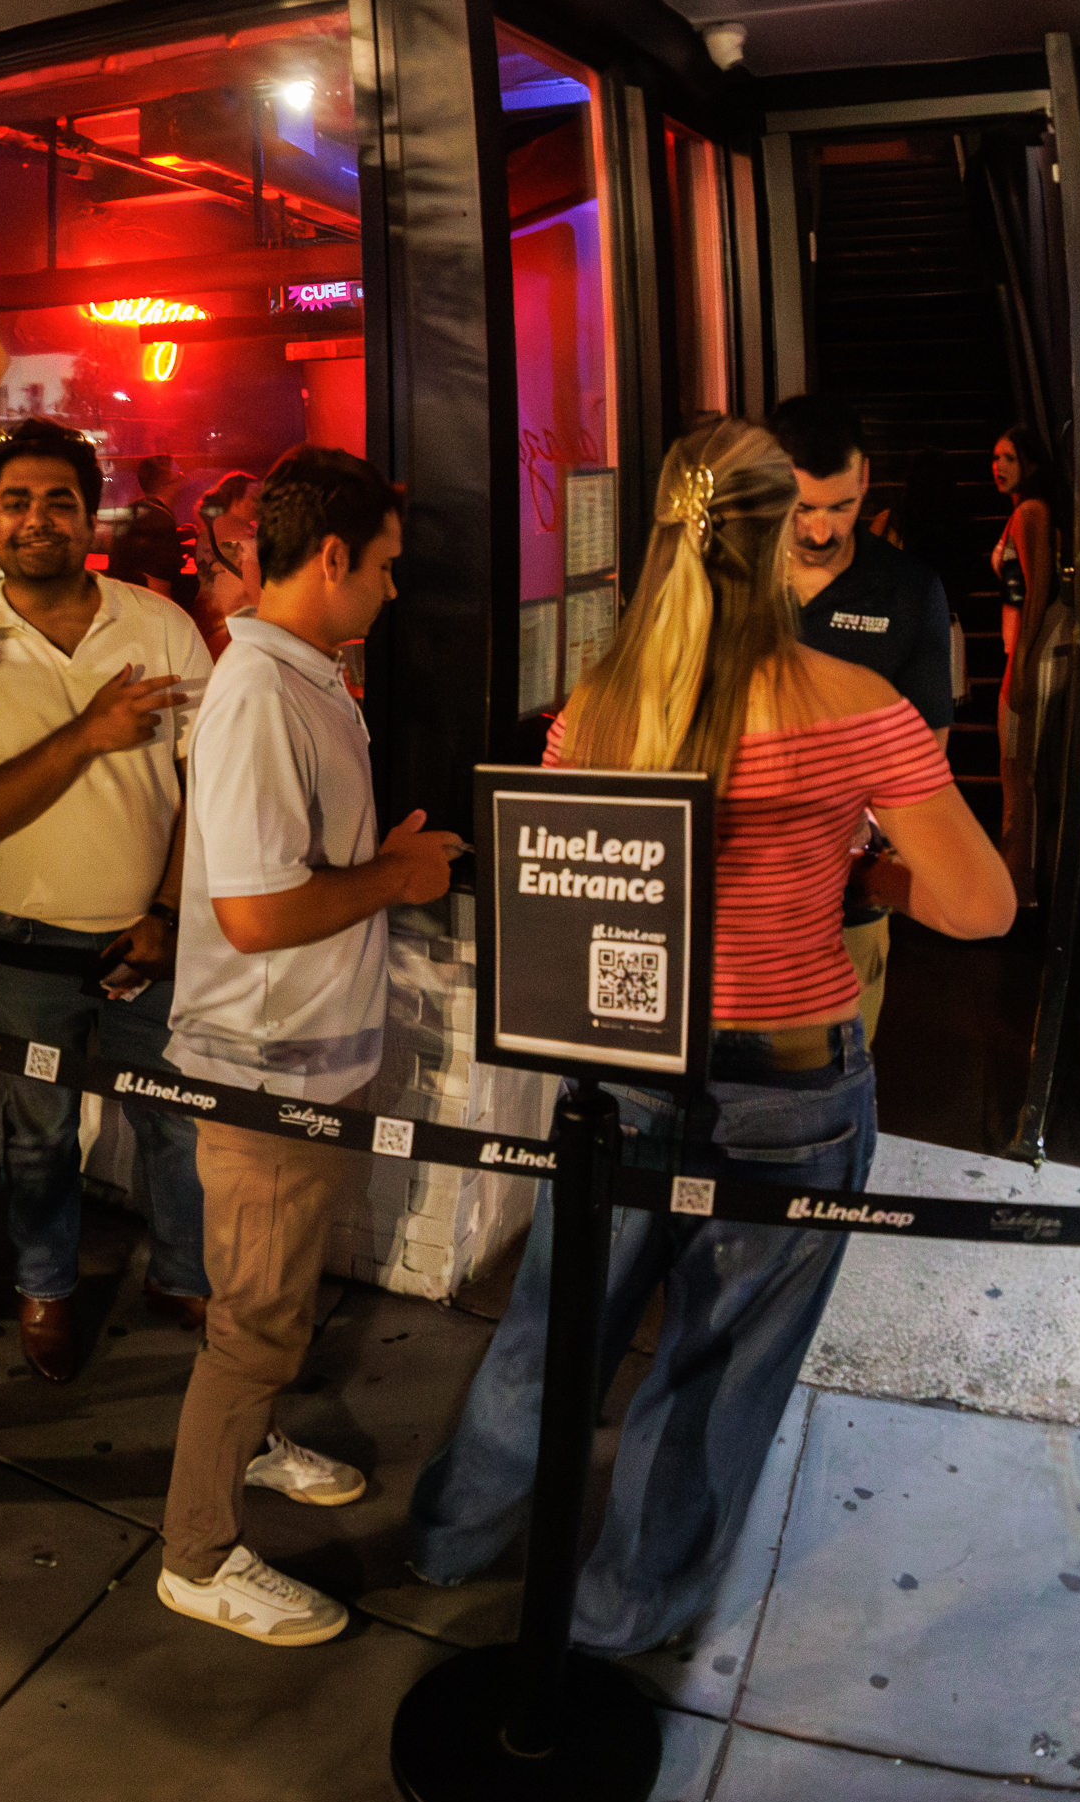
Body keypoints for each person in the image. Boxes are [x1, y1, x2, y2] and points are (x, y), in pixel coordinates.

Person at [402, 420, 1013, 1663]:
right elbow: (980, 904)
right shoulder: (856, 705)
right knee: (714, 1371)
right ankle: (620, 1617)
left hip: (621, 1069)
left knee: (549, 1329)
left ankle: (447, 1538)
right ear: (787, 532)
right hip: (789, 1086)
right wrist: (867, 872)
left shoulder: (596, 708)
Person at [154, 443, 454, 1647]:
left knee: (268, 1302)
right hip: (263, 1074)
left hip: (305, 1062)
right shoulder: (260, 693)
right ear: (329, 557)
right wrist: (400, 873)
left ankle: (255, 1438)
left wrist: (390, 861)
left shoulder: (305, 675)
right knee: (256, 1321)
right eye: (382, 565)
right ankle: (197, 1552)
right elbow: (256, 912)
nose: (392, 587)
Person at [0, 421, 208, 1381]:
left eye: (58, 501)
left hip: (154, 940)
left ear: (91, 515)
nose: (36, 519)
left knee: (174, 1119)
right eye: (16, 502)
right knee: (38, 1130)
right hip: (22, 942)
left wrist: (166, 917)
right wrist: (89, 733)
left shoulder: (160, 624)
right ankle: (46, 1287)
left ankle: (183, 1272)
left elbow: (201, 788)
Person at [770, 394, 959, 1044]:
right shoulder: (724, 581)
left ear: (866, 482)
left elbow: (927, 753)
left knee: (822, 1090)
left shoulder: (909, 591)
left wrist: (867, 823)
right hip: (717, 899)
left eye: (841, 507)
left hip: (839, 907)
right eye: (803, 509)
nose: (821, 531)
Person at [990, 424, 1055, 904]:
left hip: (1026, 653)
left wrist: (1024, 662)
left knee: (1018, 772)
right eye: (995, 458)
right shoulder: (1022, 512)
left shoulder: (1031, 512)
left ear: (1029, 463)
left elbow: (1037, 590)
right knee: (1013, 770)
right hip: (1019, 648)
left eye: (1009, 458)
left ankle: (1018, 888)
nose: (998, 466)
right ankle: (1017, 884)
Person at [100, 452, 192, 596]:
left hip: (120, 602)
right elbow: (158, 591)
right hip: (141, 610)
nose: (183, 481)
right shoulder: (161, 523)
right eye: (179, 475)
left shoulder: (132, 511)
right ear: (168, 484)